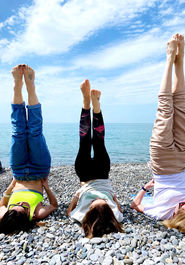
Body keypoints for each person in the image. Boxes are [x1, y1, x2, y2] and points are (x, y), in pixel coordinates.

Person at [131, 34, 185, 234]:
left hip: (161, 163)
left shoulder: (161, 213)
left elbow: (135, 205)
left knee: (165, 110)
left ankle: (169, 58)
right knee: (181, 105)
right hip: (180, 161)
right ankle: (181, 59)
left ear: (180, 216)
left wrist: (145, 189)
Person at [0, 65, 58, 234]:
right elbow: (54, 205)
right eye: (23, 209)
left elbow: (2, 204)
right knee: (34, 132)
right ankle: (31, 87)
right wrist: (46, 187)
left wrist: (11, 186)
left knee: (18, 132)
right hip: (39, 170)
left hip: (18, 171)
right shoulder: (36, 214)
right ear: (27, 216)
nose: (20, 205)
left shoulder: (4, 215)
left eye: (15, 207)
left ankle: (17, 85)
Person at [66, 79, 123, 238]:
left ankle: (86, 103)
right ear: (108, 209)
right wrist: (113, 201)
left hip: (85, 175)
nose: (96, 199)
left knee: (84, 141)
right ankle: (96, 106)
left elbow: (69, 212)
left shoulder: (82, 215)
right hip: (102, 173)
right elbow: (115, 201)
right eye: (102, 203)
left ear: (89, 210)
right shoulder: (115, 216)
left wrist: (77, 196)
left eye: (92, 204)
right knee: (98, 141)